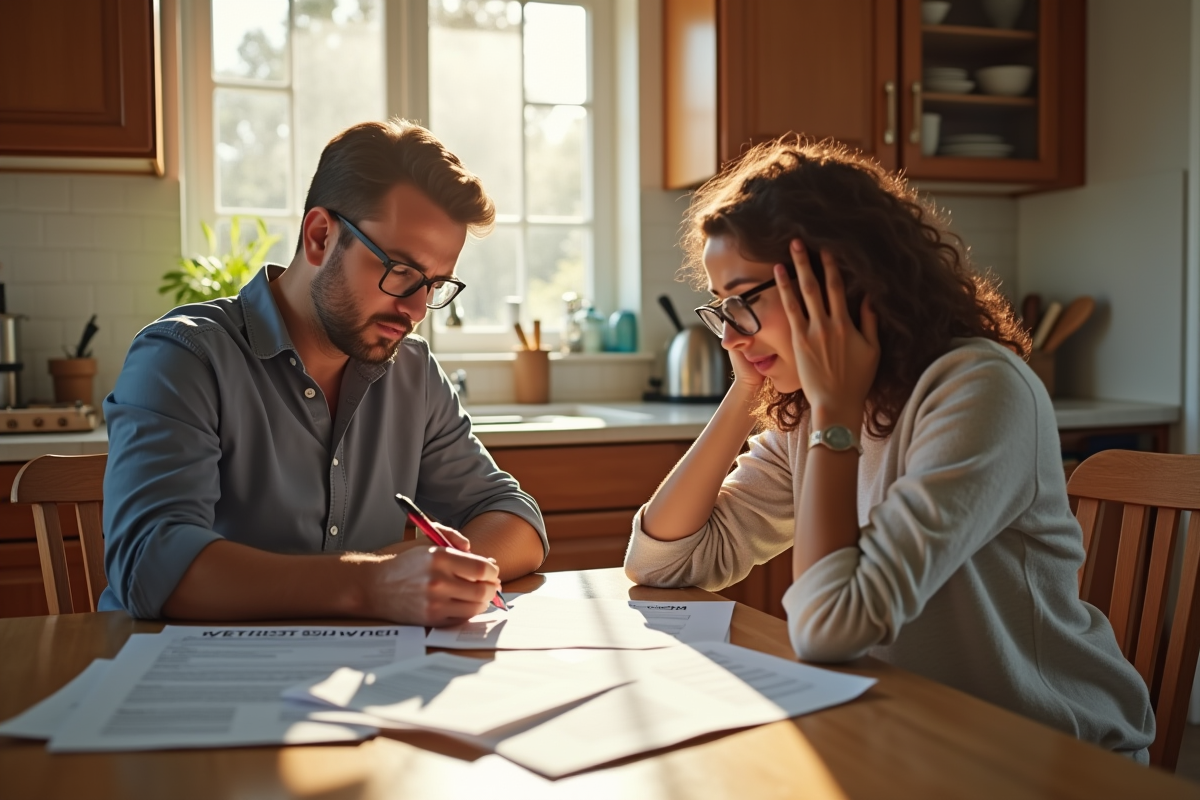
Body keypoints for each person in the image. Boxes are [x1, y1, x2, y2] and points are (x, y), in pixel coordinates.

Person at [624, 138, 1155, 760]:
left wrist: (834, 416)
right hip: (911, 728)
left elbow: (830, 630)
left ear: (834, 276)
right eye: (722, 311)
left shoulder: (978, 391)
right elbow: (662, 563)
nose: (731, 333)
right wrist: (748, 385)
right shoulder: (813, 408)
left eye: (744, 301)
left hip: (1048, 752)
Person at [101, 119, 547, 626]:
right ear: (319, 236)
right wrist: (373, 583)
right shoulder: (183, 357)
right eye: (400, 272)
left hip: (348, 680)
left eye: (435, 283)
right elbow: (151, 565)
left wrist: (452, 572)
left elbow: (514, 517)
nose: (418, 308)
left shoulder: (413, 373)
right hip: (184, 682)